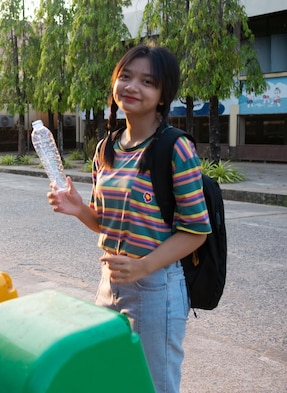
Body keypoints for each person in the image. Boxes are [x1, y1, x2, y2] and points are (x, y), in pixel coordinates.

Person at [47, 44, 211, 393]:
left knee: (154, 385)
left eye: (147, 81)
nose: (132, 87)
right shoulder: (107, 147)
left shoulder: (175, 148)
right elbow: (106, 222)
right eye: (126, 77)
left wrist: (144, 267)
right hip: (110, 282)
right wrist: (80, 209)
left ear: (163, 93)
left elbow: (196, 231)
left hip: (156, 287)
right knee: (112, 376)